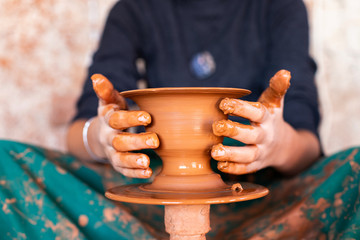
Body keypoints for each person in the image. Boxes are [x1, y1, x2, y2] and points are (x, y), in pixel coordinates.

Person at [1, 0, 359, 239]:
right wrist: (102, 136)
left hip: (265, 201)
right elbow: (80, 128)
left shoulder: (279, 6)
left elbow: (308, 145)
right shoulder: (134, 9)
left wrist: (278, 143)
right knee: (5, 163)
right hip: (150, 203)